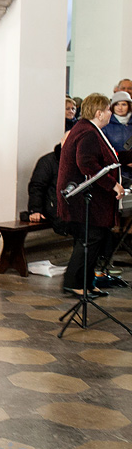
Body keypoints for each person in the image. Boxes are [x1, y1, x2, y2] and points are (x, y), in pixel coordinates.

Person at [58, 93, 132, 298]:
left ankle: (87, 282)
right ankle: (73, 283)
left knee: (95, 239)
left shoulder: (91, 129)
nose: (111, 113)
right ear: (99, 113)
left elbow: (111, 157)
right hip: (81, 200)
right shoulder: (88, 133)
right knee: (89, 239)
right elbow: (88, 164)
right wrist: (113, 185)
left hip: (90, 201)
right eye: (109, 109)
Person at [27, 132, 67, 230]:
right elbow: (37, 186)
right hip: (54, 208)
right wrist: (35, 210)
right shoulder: (47, 162)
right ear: (62, 142)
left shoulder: (77, 161)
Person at [102, 91, 132, 170]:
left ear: (129, 106)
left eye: (124, 104)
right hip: (113, 169)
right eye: (117, 104)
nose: (120, 108)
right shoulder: (105, 125)